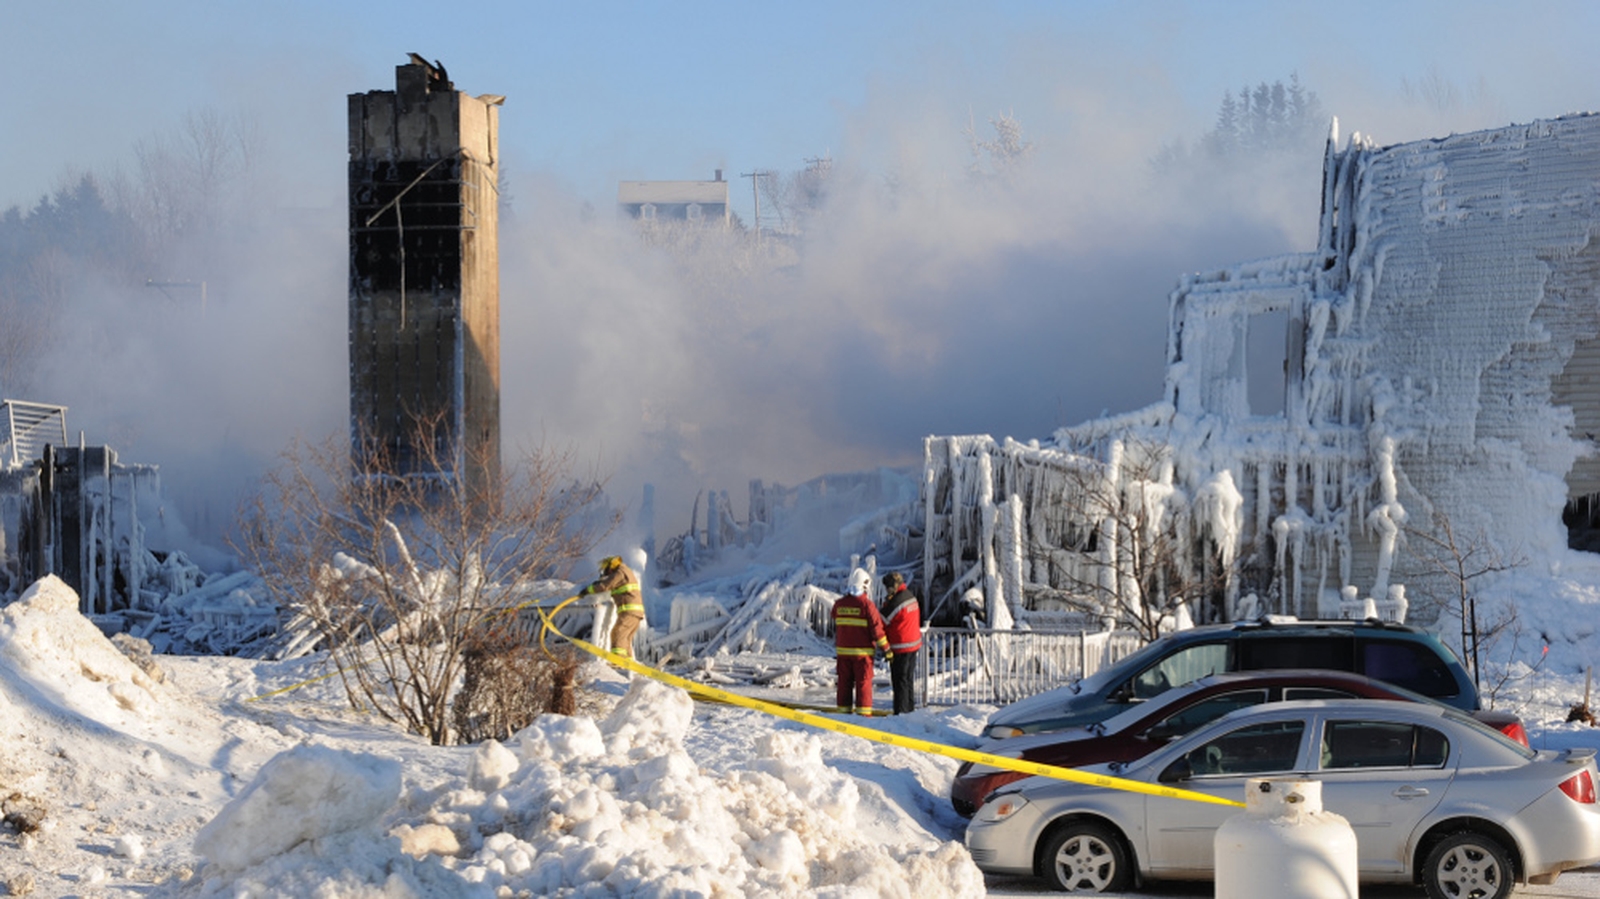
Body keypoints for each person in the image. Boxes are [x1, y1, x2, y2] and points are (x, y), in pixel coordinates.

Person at [832, 567, 890, 716]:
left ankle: (842, 715)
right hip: (863, 656)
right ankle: (863, 718)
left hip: (843, 654)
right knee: (863, 685)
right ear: (865, 585)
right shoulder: (867, 606)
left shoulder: (839, 604)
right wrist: (887, 649)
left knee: (844, 685)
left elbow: (836, 621)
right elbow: (877, 630)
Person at [579, 555, 645, 658]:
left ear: (610, 568)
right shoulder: (625, 572)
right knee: (625, 639)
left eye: (607, 572)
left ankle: (617, 662)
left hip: (629, 612)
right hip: (636, 613)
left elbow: (605, 586)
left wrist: (588, 590)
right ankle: (627, 663)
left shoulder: (620, 572)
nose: (607, 574)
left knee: (618, 633)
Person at [879, 571, 922, 714]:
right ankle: (909, 710)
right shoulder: (909, 595)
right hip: (913, 645)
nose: (887, 590)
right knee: (908, 681)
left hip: (901, 647)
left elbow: (881, 620)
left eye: (888, 587)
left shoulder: (897, 601)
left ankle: (901, 713)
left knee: (900, 682)